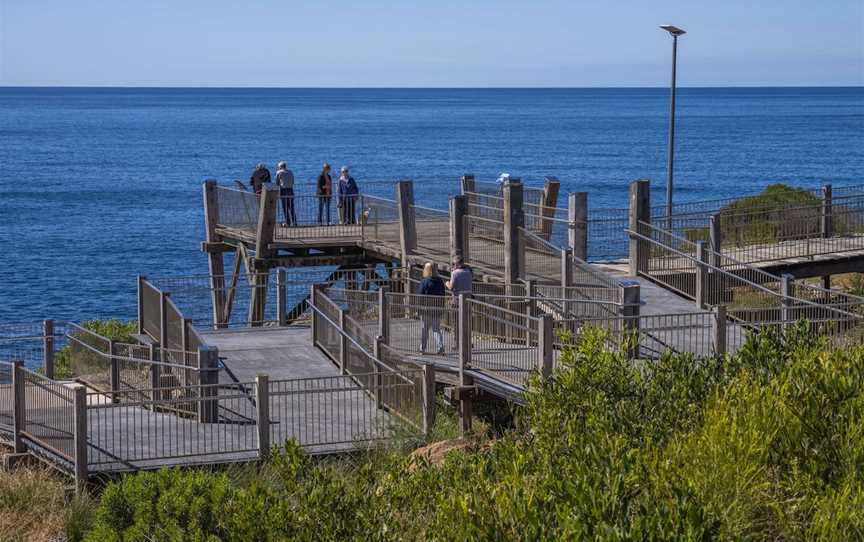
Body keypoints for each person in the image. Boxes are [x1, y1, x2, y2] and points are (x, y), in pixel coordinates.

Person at [417, 262, 446, 354]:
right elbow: (443, 295)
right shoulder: (440, 281)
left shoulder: (424, 281)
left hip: (426, 309)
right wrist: (441, 308)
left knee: (424, 330)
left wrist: (418, 309)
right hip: (437, 309)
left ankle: (422, 348)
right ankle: (440, 347)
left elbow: (420, 296)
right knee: (436, 330)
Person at [276, 161, 296, 227]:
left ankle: (288, 223)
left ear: (280, 167)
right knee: (291, 207)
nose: (278, 168)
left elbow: (277, 183)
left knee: (285, 208)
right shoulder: (290, 172)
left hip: (283, 190)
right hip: (290, 190)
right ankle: (295, 222)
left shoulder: (279, 172)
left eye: (278, 167)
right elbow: (293, 181)